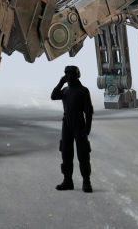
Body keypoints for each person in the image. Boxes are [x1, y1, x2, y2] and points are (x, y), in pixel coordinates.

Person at [51, 65, 93, 193]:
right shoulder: (65, 90)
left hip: (79, 124)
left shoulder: (83, 91)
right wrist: (60, 82)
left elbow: (88, 111)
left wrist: (87, 128)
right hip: (67, 125)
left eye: (70, 74)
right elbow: (53, 96)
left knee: (83, 154)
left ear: (76, 75)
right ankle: (67, 181)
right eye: (66, 74)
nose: (68, 76)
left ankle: (86, 182)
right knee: (66, 154)